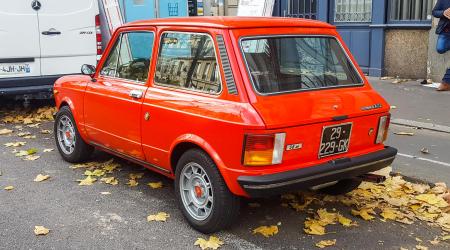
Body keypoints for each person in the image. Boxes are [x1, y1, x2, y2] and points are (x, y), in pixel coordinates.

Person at [433, 0, 450, 91]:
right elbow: (434, 12)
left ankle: (446, 82)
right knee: (440, 48)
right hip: (446, 31)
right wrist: (443, 12)